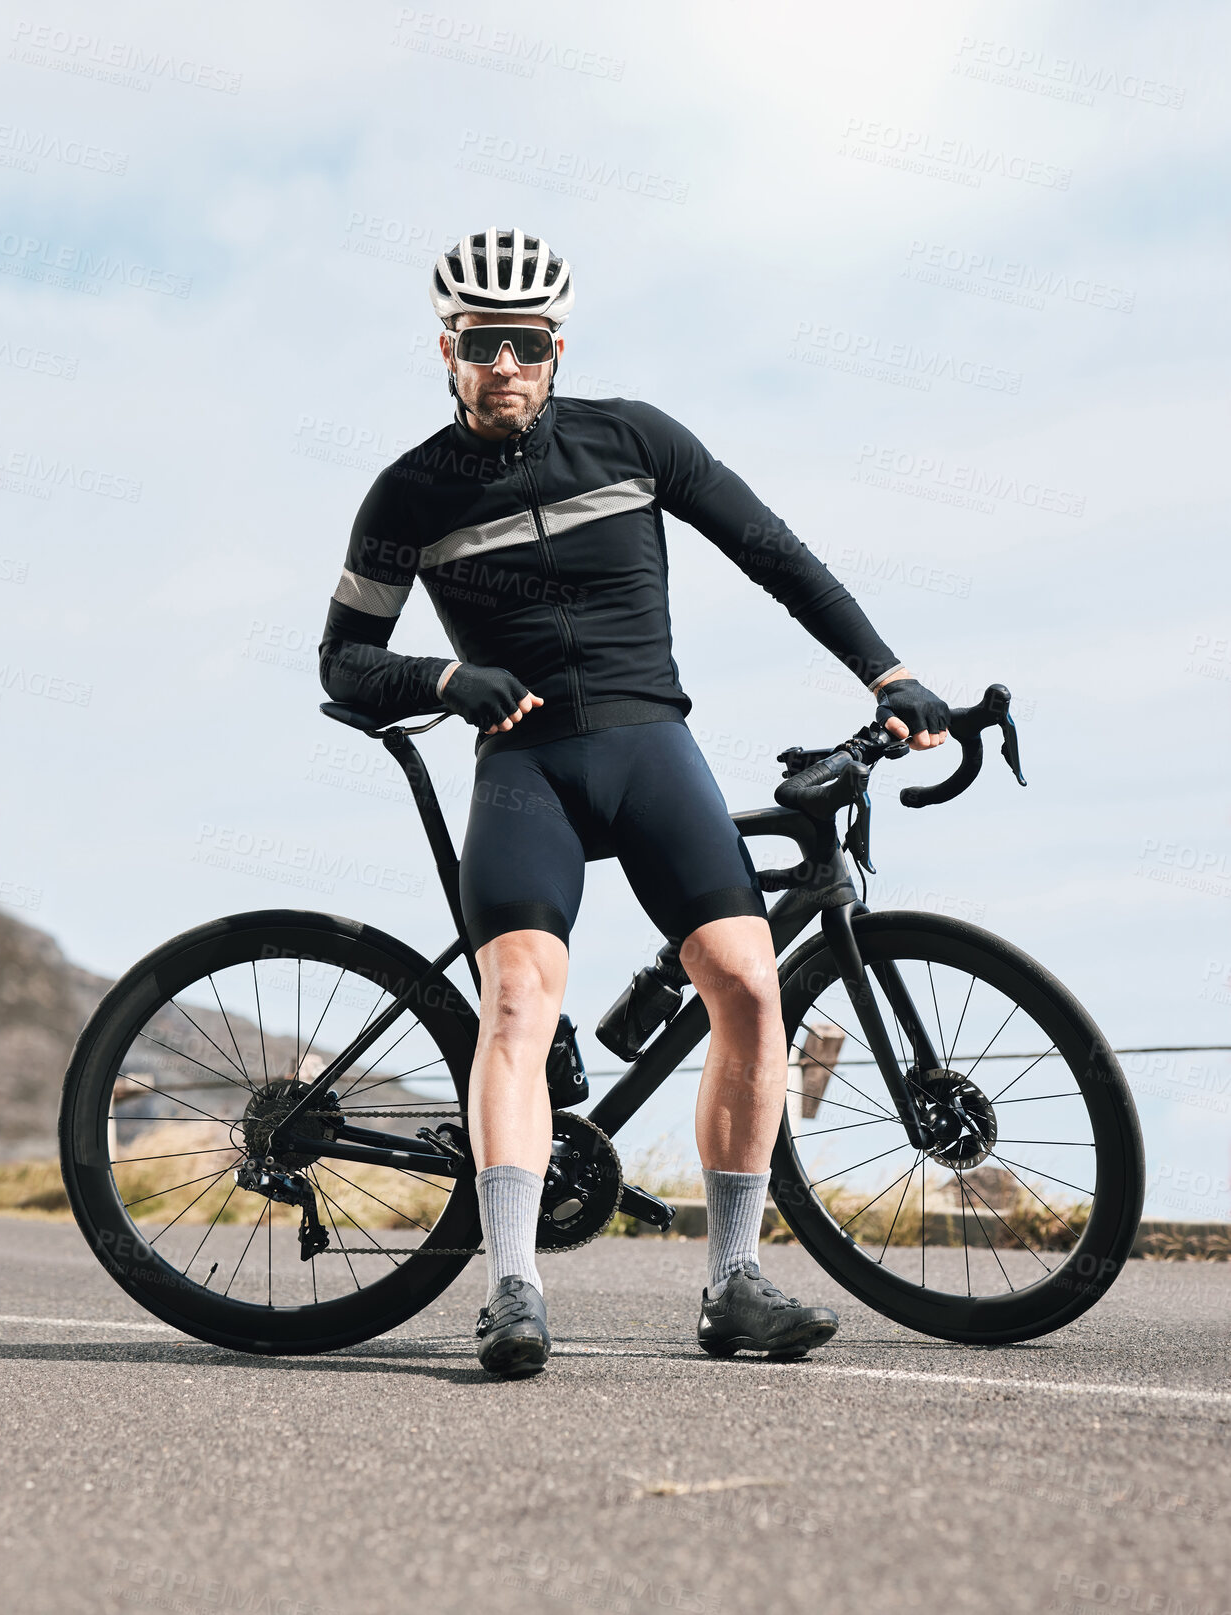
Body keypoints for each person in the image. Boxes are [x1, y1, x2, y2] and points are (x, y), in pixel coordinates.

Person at [319, 227, 950, 1377]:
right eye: (478, 344)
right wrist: (446, 679)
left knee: (749, 984)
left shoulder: (634, 439)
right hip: (525, 771)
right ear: (445, 350)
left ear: (555, 347)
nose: (502, 364)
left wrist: (887, 672)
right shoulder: (408, 492)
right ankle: (512, 1287)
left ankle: (733, 1284)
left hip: (648, 745)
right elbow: (342, 665)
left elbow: (776, 554)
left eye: (522, 343)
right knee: (517, 1000)